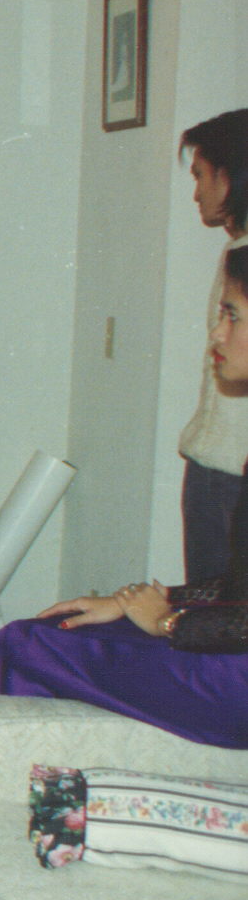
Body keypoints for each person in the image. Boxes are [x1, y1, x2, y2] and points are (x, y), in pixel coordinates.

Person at [0, 245, 248, 900]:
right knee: (53, 632)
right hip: (222, 650)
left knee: (23, 644)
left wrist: (172, 622)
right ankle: (3, 827)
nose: (216, 331)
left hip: (230, 679)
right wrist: (132, 603)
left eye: (232, 316)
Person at [177, 109, 248, 582]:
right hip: (215, 468)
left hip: (231, 476)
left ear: (232, 174)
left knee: (215, 631)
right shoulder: (237, 249)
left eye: (201, 175)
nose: (197, 191)